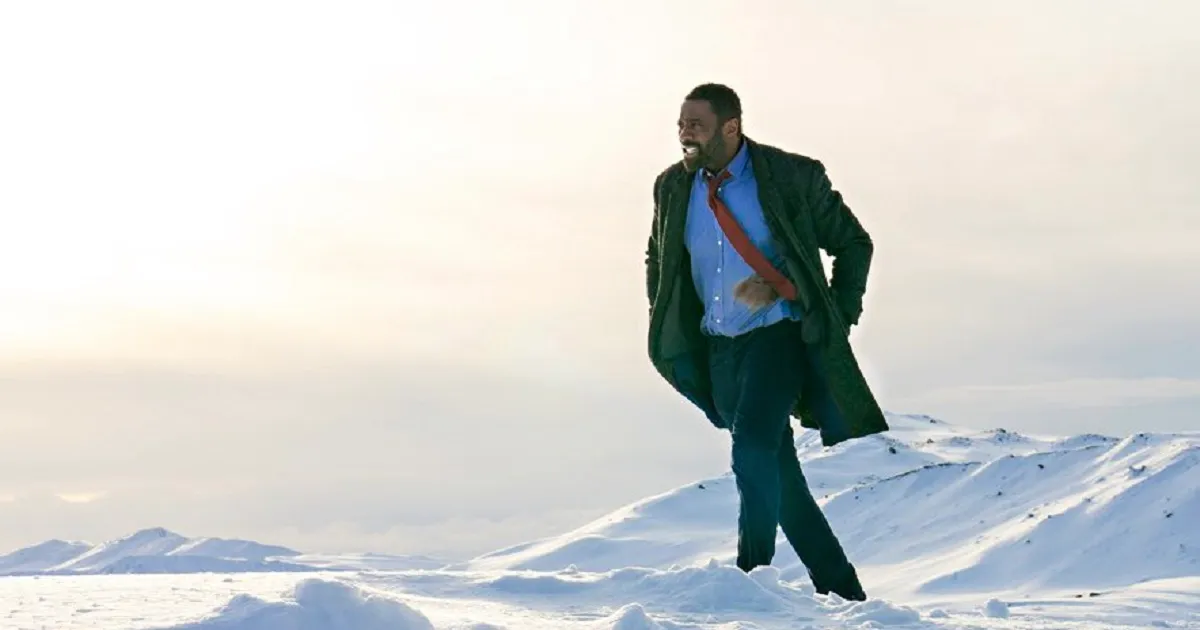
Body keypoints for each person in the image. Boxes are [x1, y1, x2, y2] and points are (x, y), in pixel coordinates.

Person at [643, 83, 888, 601]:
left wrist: (835, 317)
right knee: (782, 482)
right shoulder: (671, 188)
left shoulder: (792, 176)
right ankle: (845, 594)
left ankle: (750, 582)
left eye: (696, 124)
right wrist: (660, 314)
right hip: (718, 348)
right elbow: (657, 257)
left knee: (752, 448)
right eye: (681, 123)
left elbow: (854, 244)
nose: (685, 133)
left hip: (778, 336)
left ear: (731, 127)